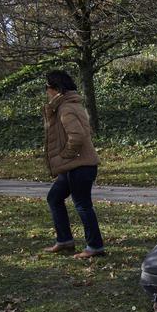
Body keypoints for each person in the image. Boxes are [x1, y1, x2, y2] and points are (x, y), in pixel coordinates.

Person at [41, 70, 105, 258]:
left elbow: (77, 137)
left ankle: (95, 247)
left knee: (82, 205)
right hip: (75, 166)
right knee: (54, 198)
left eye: (47, 87)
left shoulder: (66, 108)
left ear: (55, 89)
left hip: (80, 166)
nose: (46, 91)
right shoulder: (70, 105)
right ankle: (65, 241)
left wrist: (64, 156)